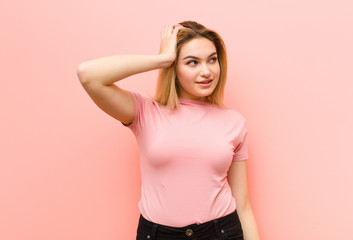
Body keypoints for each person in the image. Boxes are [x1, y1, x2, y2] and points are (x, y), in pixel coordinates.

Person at [77, 21, 260, 240]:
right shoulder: (144, 112)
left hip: (220, 232)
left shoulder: (234, 122)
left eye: (212, 60)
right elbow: (88, 74)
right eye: (192, 62)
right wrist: (162, 59)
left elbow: (243, 206)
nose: (206, 71)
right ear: (173, 69)